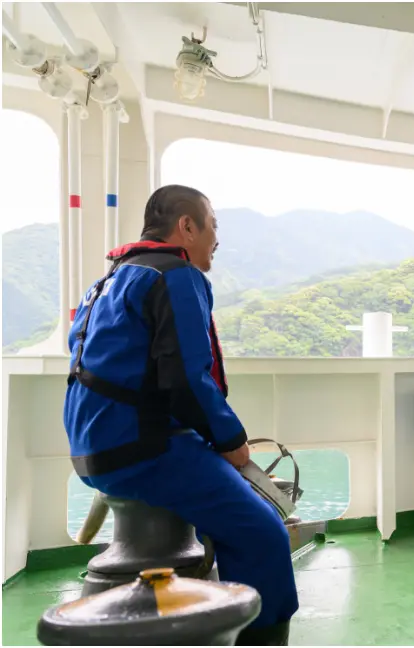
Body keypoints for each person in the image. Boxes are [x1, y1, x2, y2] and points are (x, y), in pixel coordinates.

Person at [63, 185, 298, 645]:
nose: (216, 239)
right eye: (212, 226)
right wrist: (232, 442)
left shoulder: (107, 281)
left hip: (92, 449)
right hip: (145, 448)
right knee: (264, 534)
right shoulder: (175, 275)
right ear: (187, 226)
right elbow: (187, 379)